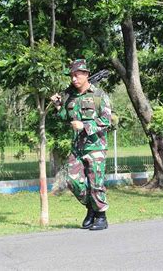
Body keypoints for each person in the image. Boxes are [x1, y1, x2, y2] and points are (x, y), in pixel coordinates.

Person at [50, 59, 112, 230]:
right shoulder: (71, 97)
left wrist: (85, 126)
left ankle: (101, 216)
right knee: (72, 181)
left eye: (77, 75)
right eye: (72, 75)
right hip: (77, 147)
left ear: (86, 75)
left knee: (95, 182)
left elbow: (107, 121)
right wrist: (57, 106)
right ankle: (91, 207)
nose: (74, 78)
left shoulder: (99, 95)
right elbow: (65, 117)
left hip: (95, 146)